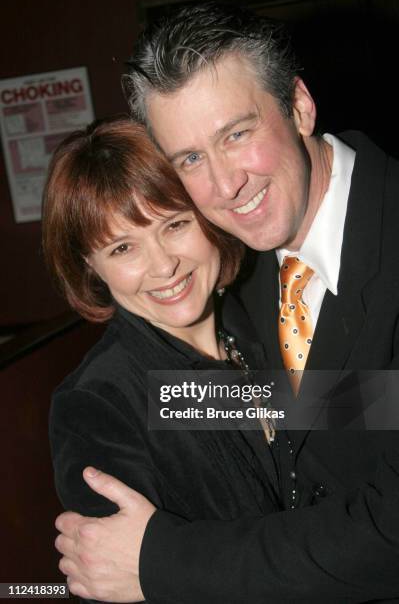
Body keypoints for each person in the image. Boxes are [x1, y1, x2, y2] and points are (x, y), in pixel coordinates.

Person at [54, 2, 399, 603]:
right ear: (90, 265)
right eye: (190, 158)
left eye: (236, 134)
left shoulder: (237, 314)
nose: (225, 186)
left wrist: (164, 558)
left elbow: (342, 408)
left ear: (299, 107)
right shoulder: (108, 398)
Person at [44, 116, 283, 602]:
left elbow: (369, 413)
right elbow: (115, 583)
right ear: (91, 265)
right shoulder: (99, 403)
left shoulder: (264, 320)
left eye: (174, 225)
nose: (163, 265)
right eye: (123, 247)